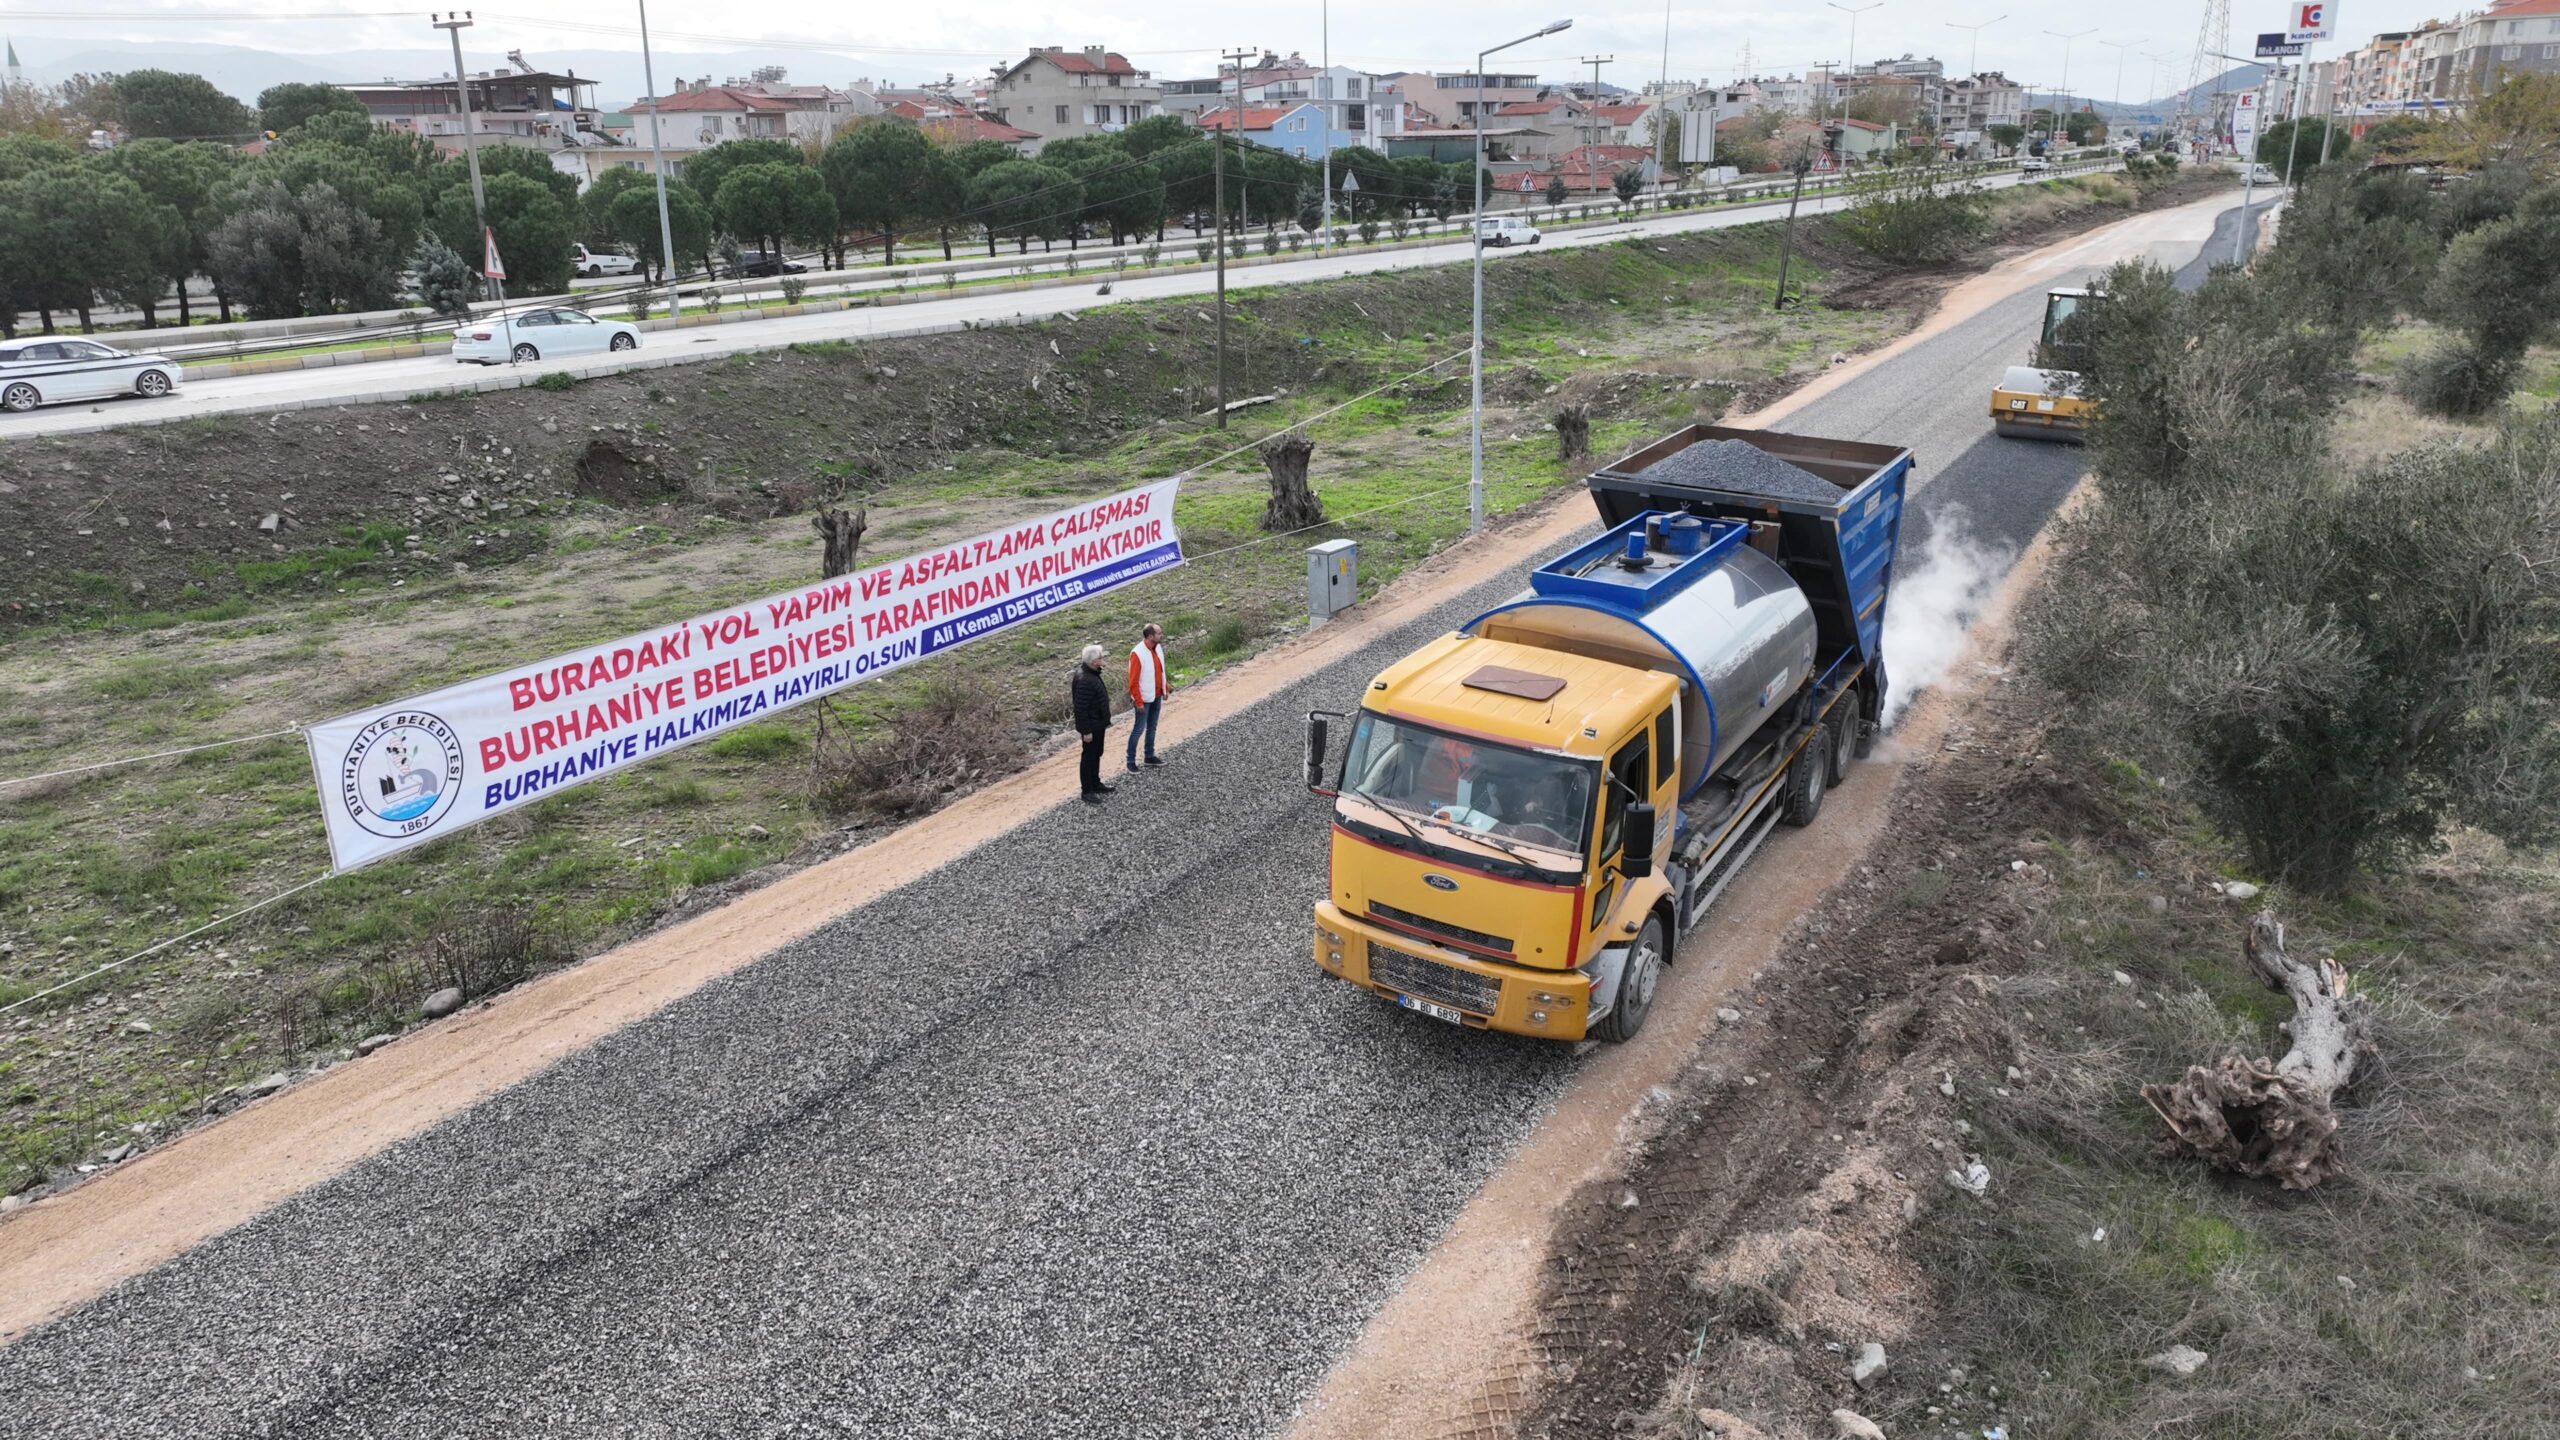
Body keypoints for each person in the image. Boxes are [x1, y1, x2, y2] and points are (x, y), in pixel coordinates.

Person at [1071, 643, 1114, 803]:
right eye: (1101, 657)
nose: (1103, 660)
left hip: (1098, 723)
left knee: (1097, 754)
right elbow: (1080, 709)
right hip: (1091, 726)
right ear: (1094, 661)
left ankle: (1095, 783)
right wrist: (1086, 731)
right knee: (1088, 757)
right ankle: (1087, 791)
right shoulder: (1085, 679)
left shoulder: (1091, 674)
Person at [1124, 622, 1169, 773]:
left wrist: (1165, 687)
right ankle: (1130, 761)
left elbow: (1160, 670)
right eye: (1159, 633)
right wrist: (1138, 701)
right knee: (1139, 729)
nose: (1161, 635)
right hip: (1143, 699)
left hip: (1156, 694)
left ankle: (1149, 755)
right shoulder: (1137, 653)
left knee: (1152, 727)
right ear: (1150, 636)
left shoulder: (1158, 648)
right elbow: (1133, 681)